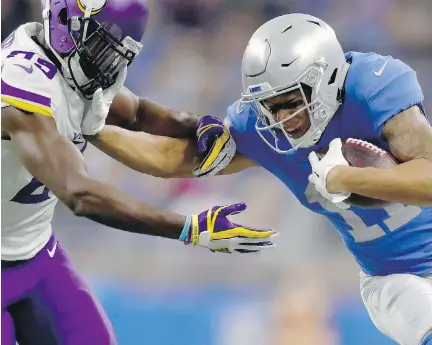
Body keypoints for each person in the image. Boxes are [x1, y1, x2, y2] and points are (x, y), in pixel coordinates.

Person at [87, 14, 432, 345]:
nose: (283, 118)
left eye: (292, 102)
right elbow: (168, 159)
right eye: (270, 105)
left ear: (326, 79)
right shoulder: (260, 129)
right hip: (392, 278)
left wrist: (347, 178)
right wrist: (93, 128)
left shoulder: (372, 88)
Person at [0, 1, 277, 344]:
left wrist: (199, 124)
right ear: (63, 23)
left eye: (118, 55)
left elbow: (137, 112)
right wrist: (189, 227)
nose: (107, 66)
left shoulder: (70, 63)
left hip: (36, 252)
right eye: (102, 48)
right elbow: (79, 193)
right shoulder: (21, 86)